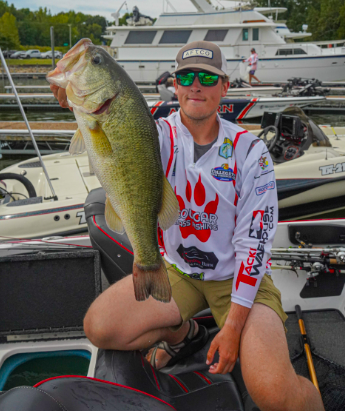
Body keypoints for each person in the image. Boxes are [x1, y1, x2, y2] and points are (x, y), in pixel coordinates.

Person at [50, 40, 324, 411]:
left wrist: (231, 329)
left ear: (225, 87)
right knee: (100, 327)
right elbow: (114, 129)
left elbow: (255, 246)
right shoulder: (156, 135)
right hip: (181, 270)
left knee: (273, 394)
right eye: (187, 76)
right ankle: (186, 335)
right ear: (175, 86)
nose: (197, 85)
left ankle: (311, 396)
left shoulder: (250, 151)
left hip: (239, 280)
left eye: (208, 78)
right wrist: (73, 101)